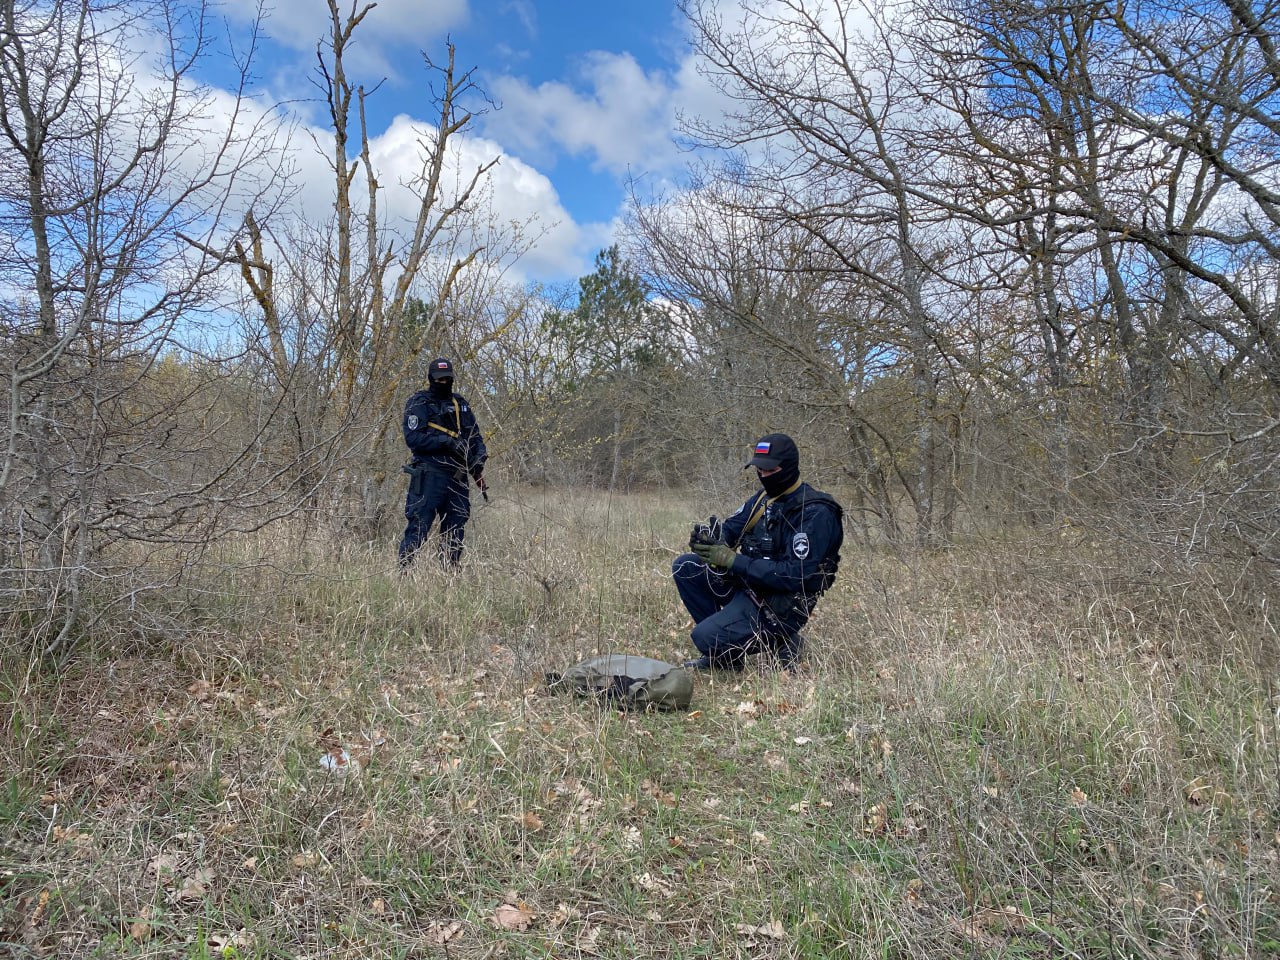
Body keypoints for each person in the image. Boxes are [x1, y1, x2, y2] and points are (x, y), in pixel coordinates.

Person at [672, 433, 843, 671]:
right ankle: (725, 659)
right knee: (686, 567)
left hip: (780, 605)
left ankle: (784, 639)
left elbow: (794, 575)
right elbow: (731, 530)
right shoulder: (764, 499)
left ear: (789, 467)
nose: (763, 476)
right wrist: (710, 542)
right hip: (750, 586)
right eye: (759, 470)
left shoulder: (815, 512)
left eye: (770, 470)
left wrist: (733, 560)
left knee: (704, 638)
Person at [398, 358, 488, 568]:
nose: (443, 382)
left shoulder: (461, 404)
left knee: (455, 531)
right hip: (429, 477)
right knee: (418, 528)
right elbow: (413, 439)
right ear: (431, 378)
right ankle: (404, 575)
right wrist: (445, 442)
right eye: (439, 379)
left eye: (447, 378)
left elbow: (475, 436)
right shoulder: (419, 403)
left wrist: (480, 456)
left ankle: (449, 577)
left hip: (457, 479)